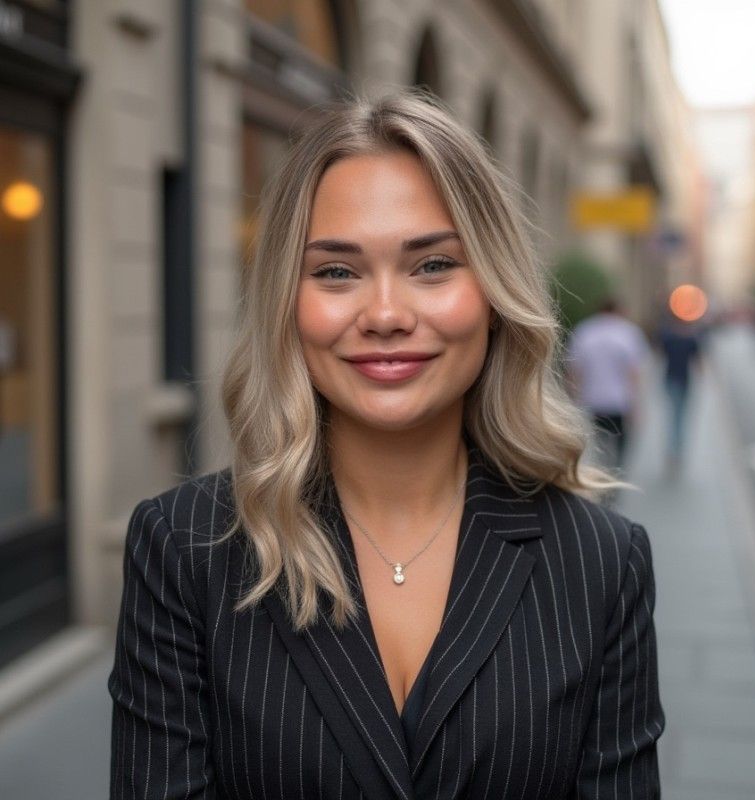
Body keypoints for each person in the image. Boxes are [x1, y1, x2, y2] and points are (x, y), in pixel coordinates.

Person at [108, 91, 664, 799]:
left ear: (493, 293)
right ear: (288, 302)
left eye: (432, 265)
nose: (386, 314)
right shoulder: (184, 548)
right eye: (336, 271)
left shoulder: (602, 562)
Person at [566, 298, 649, 470]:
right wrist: (636, 404)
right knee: (621, 440)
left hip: (593, 398)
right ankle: (616, 470)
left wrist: (573, 398)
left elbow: (574, 369)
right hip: (620, 400)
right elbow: (634, 372)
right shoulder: (628, 332)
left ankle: (604, 471)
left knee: (600, 440)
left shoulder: (585, 330)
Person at [658, 309, 703, 473]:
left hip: (671, 380)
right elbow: (698, 362)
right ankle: (676, 452)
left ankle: (673, 452)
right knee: (680, 417)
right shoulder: (691, 338)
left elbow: (659, 355)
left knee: (674, 416)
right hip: (683, 381)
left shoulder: (668, 336)